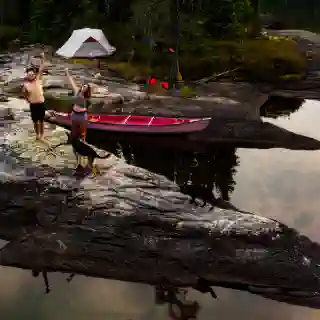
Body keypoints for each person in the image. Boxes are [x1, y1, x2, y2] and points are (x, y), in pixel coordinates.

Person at [64, 67, 92, 170]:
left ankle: (84, 161)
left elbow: (85, 105)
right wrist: (67, 72)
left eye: (86, 86)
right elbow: (71, 81)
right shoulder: (77, 91)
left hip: (82, 117)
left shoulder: (87, 98)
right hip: (75, 116)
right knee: (74, 138)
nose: (84, 86)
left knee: (83, 139)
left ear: (87, 89)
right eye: (84, 85)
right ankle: (78, 162)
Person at [22, 57, 46, 140]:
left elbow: (42, 67)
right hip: (33, 105)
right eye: (29, 75)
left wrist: (43, 57)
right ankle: (37, 134)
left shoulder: (38, 79)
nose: (31, 76)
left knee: (42, 121)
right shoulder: (26, 84)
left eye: (32, 74)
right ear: (27, 76)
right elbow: (24, 93)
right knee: (35, 121)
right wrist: (27, 99)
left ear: (34, 75)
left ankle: (42, 134)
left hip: (41, 104)